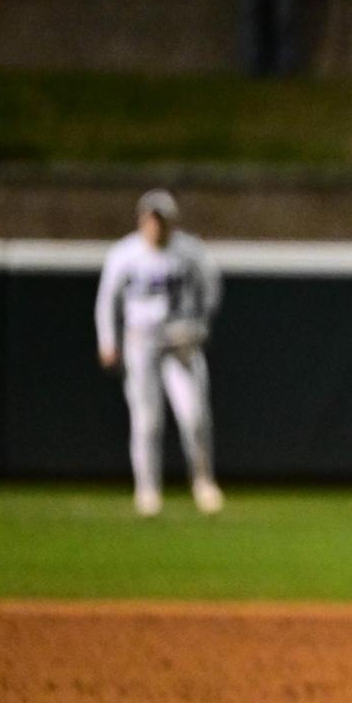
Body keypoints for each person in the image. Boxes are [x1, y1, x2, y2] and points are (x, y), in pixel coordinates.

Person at [95, 190, 225, 517]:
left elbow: (212, 286)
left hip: (179, 341)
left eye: (161, 220)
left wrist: (200, 323)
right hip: (141, 342)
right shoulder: (125, 254)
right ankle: (148, 489)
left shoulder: (189, 251)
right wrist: (108, 340)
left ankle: (203, 482)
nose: (156, 226)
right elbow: (106, 300)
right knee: (147, 420)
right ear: (142, 220)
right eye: (151, 219)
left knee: (194, 416)